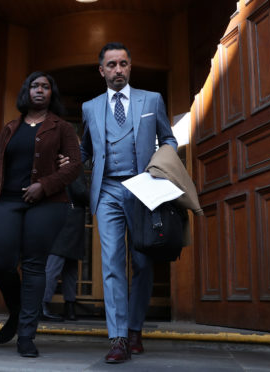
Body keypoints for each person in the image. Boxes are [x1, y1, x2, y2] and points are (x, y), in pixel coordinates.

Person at [77, 42, 178, 363]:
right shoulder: (90, 107)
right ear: (102, 70)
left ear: (130, 67)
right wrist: (68, 164)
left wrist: (164, 162)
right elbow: (86, 151)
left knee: (144, 262)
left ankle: (136, 329)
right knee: (111, 264)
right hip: (106, 191)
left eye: (123, 64)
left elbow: (169, 138)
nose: (118, 70)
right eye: (111, 65)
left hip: (144, 190)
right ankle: (118, 338)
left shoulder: (152, 100)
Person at [0, 71, 81, 358]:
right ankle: (18, 310)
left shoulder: (63, 128)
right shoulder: (10, 127)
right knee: (2, 260)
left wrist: (43, 186)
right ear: (26, 91)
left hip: (46, 205)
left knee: (35, 266)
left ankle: (26, 335)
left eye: (46, 86)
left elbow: (74, 167)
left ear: (51, 94)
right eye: (35, 86)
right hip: (6, 203)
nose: (40, 90)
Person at [41, 166, 89, 322]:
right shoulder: (71, 163)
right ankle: (44, 305)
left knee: (67, 263)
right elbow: (80, 191)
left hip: (63, 214)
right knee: (58, 263)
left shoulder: (56, 158)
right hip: (70, 217)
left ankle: (68, 307)